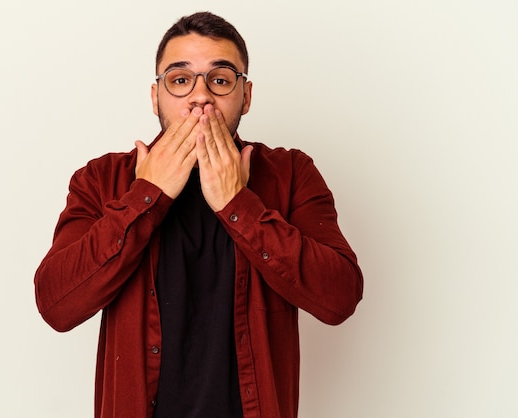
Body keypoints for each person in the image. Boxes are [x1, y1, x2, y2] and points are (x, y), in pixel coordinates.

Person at [34, 11, 363, 418]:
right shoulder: (101, 179)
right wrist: (147, 195)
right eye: (180, 79)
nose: (200, 96)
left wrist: (237, 204)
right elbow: (56, 305)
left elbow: (340, 298)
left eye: (220, 80)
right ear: (156, 96)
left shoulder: (291, 174)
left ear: (246, 95)